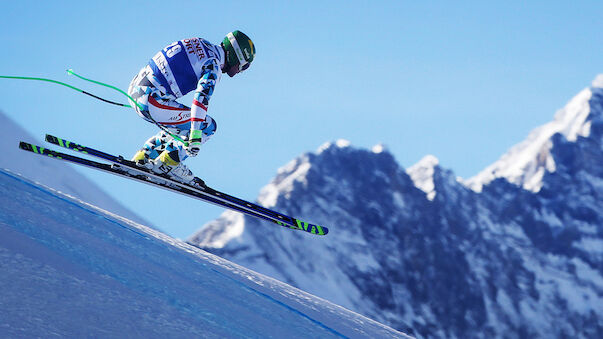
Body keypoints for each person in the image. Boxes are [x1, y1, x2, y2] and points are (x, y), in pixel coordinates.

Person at [126, 30, 256, 187]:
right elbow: (201, 98)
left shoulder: (200, 42)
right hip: (153, 102)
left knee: (181, 125)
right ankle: (168, 164)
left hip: (136, 92)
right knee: (208, 126)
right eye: (245, 66)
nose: (241, 71)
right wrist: (195, 135)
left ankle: (145, 155)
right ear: (238, 58)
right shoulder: (213, 64)